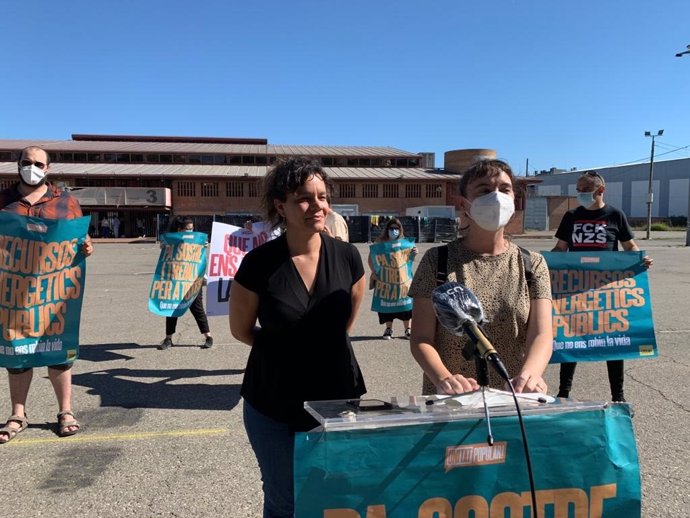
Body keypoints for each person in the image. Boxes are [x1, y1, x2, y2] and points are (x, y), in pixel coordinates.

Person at [229, 157, 367, 518]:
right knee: (284, 498)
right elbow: (241, 330)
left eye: (322, 196)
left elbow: (345, 322)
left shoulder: (349, 257)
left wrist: (316, 346)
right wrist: (288, 348)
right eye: (304, 198)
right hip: (272, 400)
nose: (317, 205)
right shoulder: (258, 263)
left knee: (335, 491)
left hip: (336, 396)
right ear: (280, 206)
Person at [408, 159, 553, 395]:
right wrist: (443, 378)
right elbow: (421, 338)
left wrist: (531, 374)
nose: (496, 197)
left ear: (514, 201)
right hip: (453, 400)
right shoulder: (436, 260)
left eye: (505, 189)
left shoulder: (532, 264)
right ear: (465, 204)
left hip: (513, 398)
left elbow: (541, 333)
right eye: (484, 190)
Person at [0, 145, 94, 443]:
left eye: (38, 163)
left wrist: (86, 247)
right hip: (15, 291)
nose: (32, 167)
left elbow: (80, 240)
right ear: (18, 165)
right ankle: (17, 414)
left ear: (48, 169)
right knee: (17, 355)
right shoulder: (3, 202)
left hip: (54, 291)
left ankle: (65, 411)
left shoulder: (66, 202)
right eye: (26, 162)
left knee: (59, 354)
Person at [552, 170, 653, 402]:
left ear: (600, 190)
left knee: (613, 341)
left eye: (584, 190)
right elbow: (560, 248)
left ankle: (618, 397)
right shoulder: (571, 215)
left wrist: (640, 261)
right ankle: (563, 393)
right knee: (570, 339)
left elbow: (629, 247)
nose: (580, 194)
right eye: (578, 190)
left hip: (607, 291)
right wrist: (544, 262)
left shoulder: (615, 215)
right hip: (575, 289)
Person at [158, 216, 213, 350]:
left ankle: (208, 336)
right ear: (179, 229)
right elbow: (164, 252)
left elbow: (201, 257)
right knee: (172, 308)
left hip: (194, 279)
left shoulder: (197, 240)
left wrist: (202, 245)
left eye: (192, 229)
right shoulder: (170, 241)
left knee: (197, 307)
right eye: (187, 229)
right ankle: (168, 338)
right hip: (176, 279)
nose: (190, 232)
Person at [368, 217, 417, 339]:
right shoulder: (380, 243)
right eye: (391, 228)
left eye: (396, 228)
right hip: (385, 281)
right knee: (386, 307)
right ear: (387, 229)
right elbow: (371, 258)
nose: (394, 231)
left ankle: (408, 329)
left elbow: (409, 261)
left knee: (406, 307)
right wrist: (374, 272)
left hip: (402, 282)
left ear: (400, 230)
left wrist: (414, 253)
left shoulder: (405, 243)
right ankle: (388, 329)